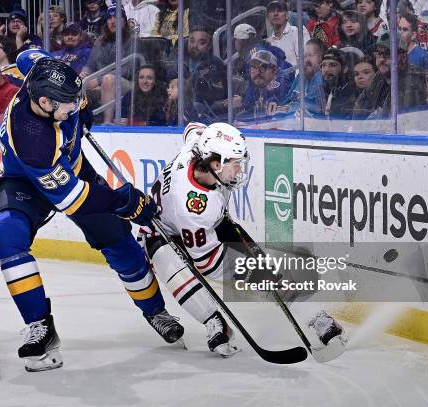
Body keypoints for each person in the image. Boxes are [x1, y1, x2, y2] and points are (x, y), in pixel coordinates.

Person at [0, 56, 183, 371]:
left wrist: (81, 111)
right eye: (68, 103)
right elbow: (75, 199)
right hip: (26, 181)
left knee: (120, 242)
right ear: (42, 102)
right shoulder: (31, 139)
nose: (75, 105)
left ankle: (156, 311)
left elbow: (27, 57)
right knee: (5, 236)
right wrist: (124, 201)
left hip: (74, 170)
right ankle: (41, 327)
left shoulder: (40, 72)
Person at [140, 121, 345, 357]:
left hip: (208, 225)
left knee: (270, 276)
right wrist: (249, 272)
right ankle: (215, 323)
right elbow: (207, 263)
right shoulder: (194, 207)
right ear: (215, 164)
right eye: (235, 163)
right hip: (159, 232)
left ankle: (316, 318)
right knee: (175, 273)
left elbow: (192, 128)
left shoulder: (198, 148)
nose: (239, 169)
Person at [353, 33, 427, 118]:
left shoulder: (412, 81)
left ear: (403, 57)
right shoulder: (380, 76)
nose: (381, 59)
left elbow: (398, 123)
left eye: (388, 54)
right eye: (379, 53)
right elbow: (360, 108)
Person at [241, 50, 293, 119]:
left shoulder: (281, 81)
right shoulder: (258, 83)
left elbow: (276, 97)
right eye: (253, 67)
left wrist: (273, 101)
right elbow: (250, 104)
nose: (257, 72)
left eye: (263, 67)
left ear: (275, 70)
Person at [316, 47, 360, 118]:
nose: (326, 70)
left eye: (332, 65)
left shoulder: (353, 94)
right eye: (323, 65)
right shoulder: (320, 91)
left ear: (345, 69)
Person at [265, 0, 311, 67]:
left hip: (297, 77)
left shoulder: (298, 32)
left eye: (279, 10)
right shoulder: (268, 42)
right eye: (272, 11)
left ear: (287, 15)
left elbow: (305, 62)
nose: (275, 14)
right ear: (268, 18)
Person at [287, 38, 326, 116]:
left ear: (321, 58)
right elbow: (288, 98)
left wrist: (289, 107)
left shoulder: (320, 77)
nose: (307, 60)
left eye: (311, 55)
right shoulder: (300, 77)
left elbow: (316, 107)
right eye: (304, 56)